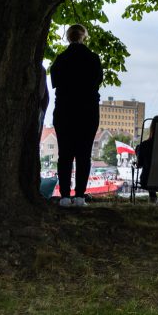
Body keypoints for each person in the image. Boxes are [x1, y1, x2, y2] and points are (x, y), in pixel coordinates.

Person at [50, 24, 104, 208]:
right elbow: (97, 81)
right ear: (84, 37)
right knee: (84, 155)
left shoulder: (61, 59)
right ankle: (80, 196)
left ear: (68, 37)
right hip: (87, 112)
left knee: (64, 155)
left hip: (65, 111)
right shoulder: (93, 59)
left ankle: (65, 196)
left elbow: (55, 83)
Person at [136, 115, 158, 204]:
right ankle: (154, 198)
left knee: (139, 148)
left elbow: (140, 165)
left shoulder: (145, 145)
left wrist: (138, 151)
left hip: (148, 181)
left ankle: (153, 197)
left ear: (152, 128)